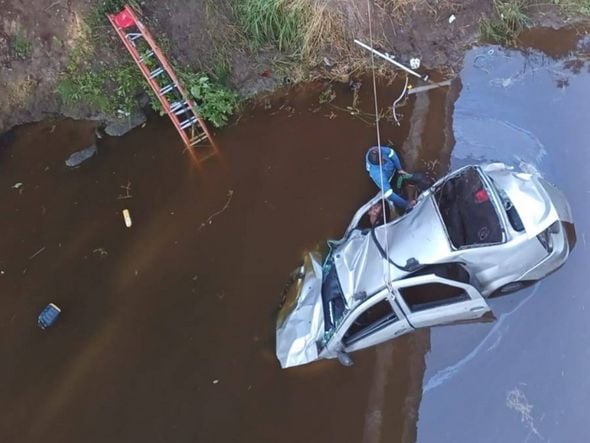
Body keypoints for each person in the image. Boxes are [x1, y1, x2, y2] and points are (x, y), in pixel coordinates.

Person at [365, 145, 414, 212]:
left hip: (394, 170)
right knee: (398, 194)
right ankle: (403, 207)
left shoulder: (377, 150)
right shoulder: (378, 175)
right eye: (381, 161)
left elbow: (391, 153)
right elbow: (389, 194)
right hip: (389, 180)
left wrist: (399, 168)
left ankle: (405, 182)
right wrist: (407, 205)